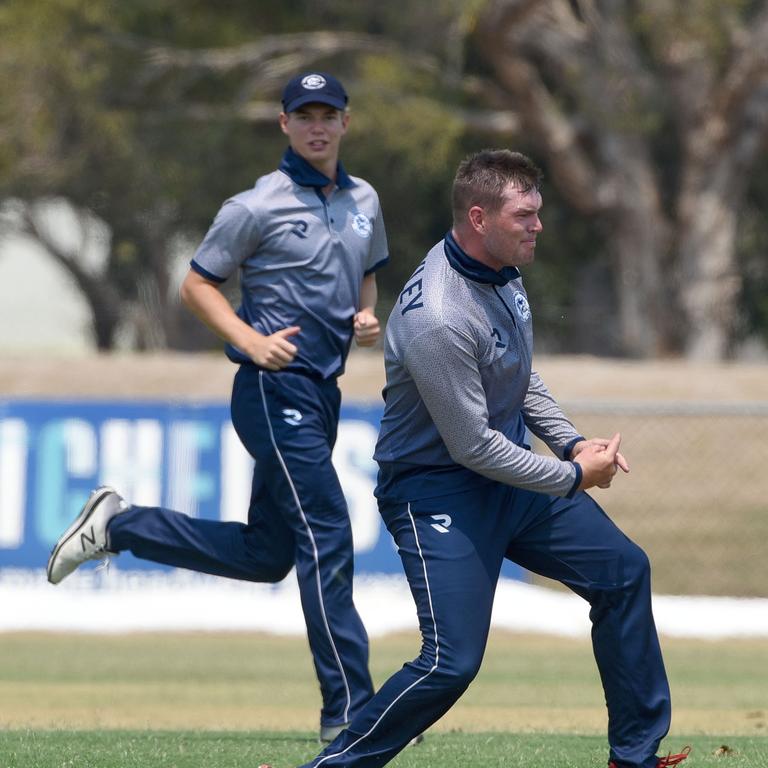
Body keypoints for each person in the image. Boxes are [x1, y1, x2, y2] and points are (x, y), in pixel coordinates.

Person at [295, 150, 689, 768]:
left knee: (623, 572)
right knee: (450, 662)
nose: (537, 226)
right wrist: (571, 476)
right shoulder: (439, 316)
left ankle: (633, 758)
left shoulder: (502, 269)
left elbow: (518, 374)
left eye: (538, 213)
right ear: (478, 217)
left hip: (511, 484)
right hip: (435, 492)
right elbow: (472, 445)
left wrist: (569, 442)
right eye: (524, 215)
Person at [46, 71, 388, 743]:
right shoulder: (255, 205)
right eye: (304, 115)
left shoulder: (365, 200)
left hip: (321, 391)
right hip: (269, 389)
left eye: (329, 114)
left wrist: (368, 315)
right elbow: (197, 283)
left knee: (268, 554)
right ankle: (349, 710)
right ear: (285, 125)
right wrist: (250, 341)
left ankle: (121, 526)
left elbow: (366, 271)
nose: (317, 125)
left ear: (346, 123)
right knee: (327, 531)